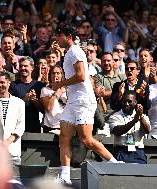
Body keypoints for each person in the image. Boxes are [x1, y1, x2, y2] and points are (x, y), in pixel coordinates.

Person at [53, 24, 120, 185]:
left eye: (59, 35)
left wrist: (61, 83)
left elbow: (81, 76)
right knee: (64, 137)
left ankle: (116, 165)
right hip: (73, 101)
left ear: (67, 36)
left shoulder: (75, 51)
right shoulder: (70, 52)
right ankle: (65, 176)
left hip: (83, 101)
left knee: (87, 139)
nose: (56, 38)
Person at [0, 72, 25, 166]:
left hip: (13, 152)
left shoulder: (19, 103)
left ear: (9, 83)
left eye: (2, 82)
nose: (0, 85)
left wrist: (7, 142)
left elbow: (20, 127)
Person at [109, 91, 150, 163]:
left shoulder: (142, 116)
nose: (126, 104)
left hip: (138, 152)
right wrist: (134, 121)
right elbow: (118, 131)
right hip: (121, 151)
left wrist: (140, 117)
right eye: (124, 101)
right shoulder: (115, 116)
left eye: (129, 101)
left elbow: (148, 130)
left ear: (135, 102)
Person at [9, 56, 43, 133]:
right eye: (21, 66)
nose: (23, 68)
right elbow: (10, 108)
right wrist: (24, 100)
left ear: (32, 68)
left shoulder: (39, 85)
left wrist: (34, 100)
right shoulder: (13, 85)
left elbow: (43, 110)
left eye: (25, 66)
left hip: (34, 127)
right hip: (16, 127)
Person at [40, 65, 67, 134]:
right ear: (50, 75)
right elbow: (48, 107)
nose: (55, 75)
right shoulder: (45, 90)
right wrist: (56, 94)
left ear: (62, 75)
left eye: (58, 73)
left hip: (65, 125)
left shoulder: (68, 91)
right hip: (50, 126)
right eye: (53, 73)